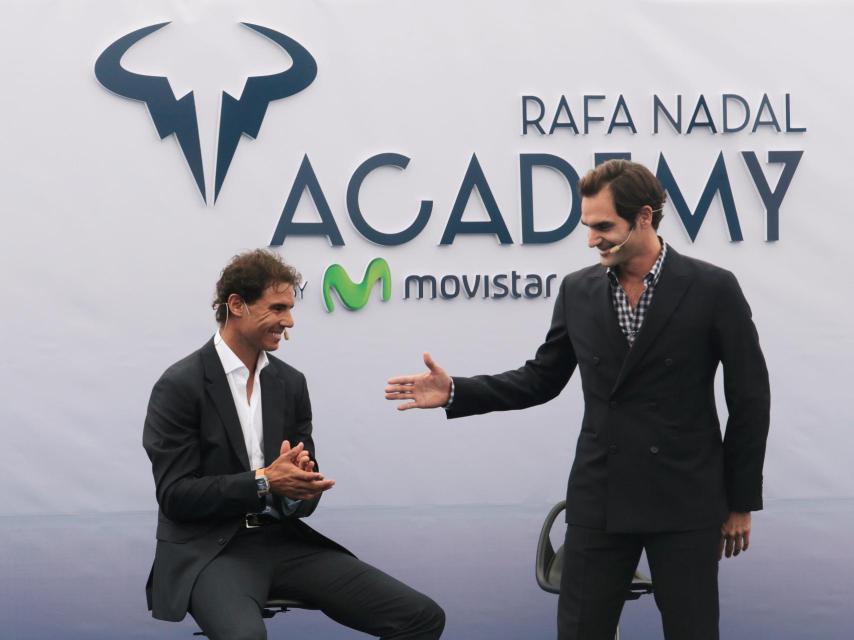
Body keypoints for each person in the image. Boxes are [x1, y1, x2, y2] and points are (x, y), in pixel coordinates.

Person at [385, 160, 769, 640]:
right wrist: (456, 391)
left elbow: (750, 398)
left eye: (604, 227)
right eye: (588, 227)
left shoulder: (712, 287)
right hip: (600, 496)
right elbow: (541, 379)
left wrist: (740, 501)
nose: (592, 240)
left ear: (644, 217)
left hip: (686, 497)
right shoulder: (577, 290)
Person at [143, 249, 444, 640]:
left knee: (421, 618)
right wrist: (265, 481)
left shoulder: (290, 383)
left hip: (281, 541)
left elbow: (301, 494)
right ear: (237, 305)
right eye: (278, 307)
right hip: (211, 551)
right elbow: (176, 495)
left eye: (290, 308)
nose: (289, 320)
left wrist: (300, 488)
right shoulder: (180, 385)